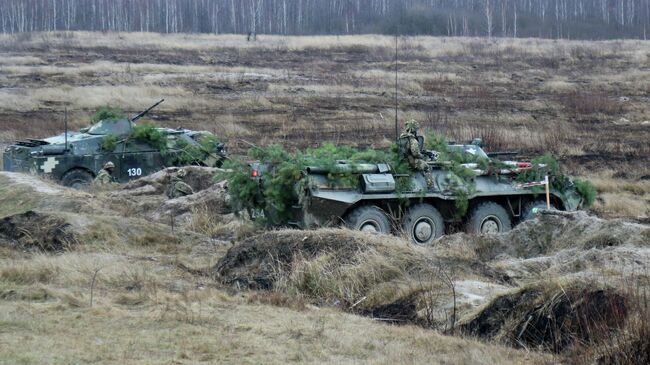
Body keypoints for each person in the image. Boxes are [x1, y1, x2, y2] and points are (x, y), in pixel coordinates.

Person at [399, 120, 435, 188]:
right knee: (427, 167)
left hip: (401, 161)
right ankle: (431, 186)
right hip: (410, 162)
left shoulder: (401, 138)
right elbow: (415, 154)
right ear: (414, 129)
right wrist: (422, 156)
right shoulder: (412, 140)